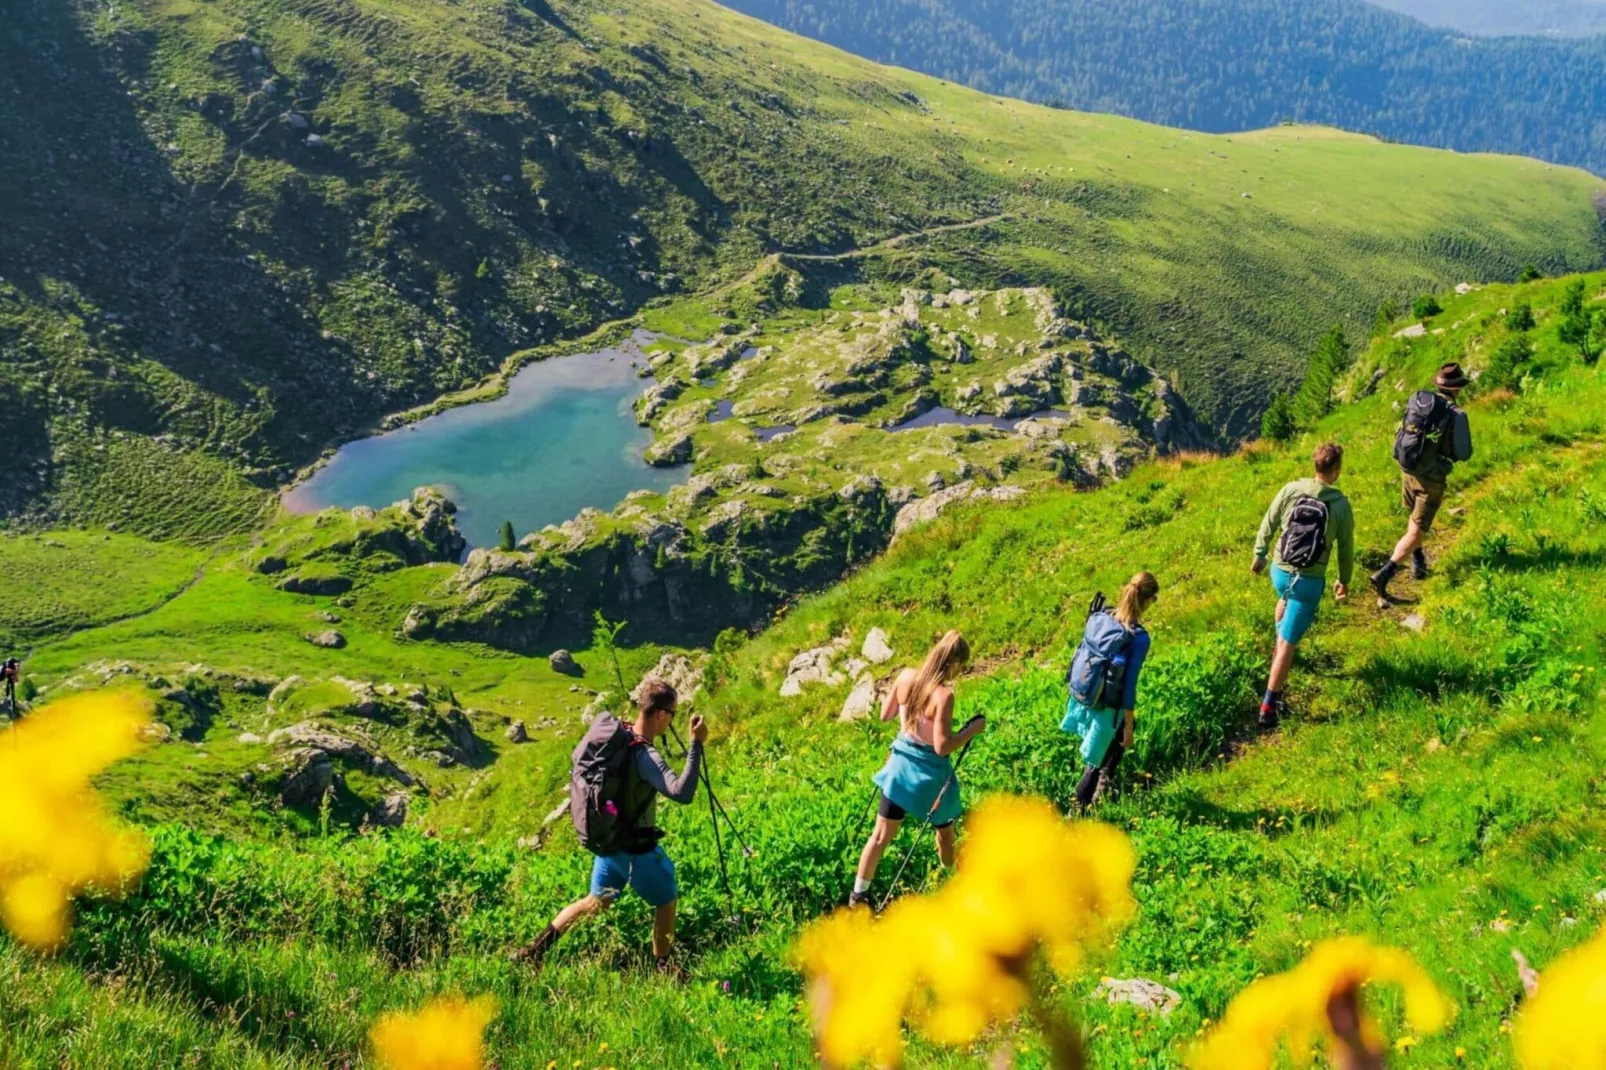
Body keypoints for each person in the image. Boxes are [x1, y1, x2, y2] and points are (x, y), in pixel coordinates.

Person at [516, 679, 705, 974]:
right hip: (635, 851)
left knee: (595, 903)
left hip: (609, 843)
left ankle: (535, 951)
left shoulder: (620, 737)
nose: (672, 721)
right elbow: (682, 793)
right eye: (673, 714)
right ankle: (665, 969)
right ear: (661, 715)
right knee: (667, 902)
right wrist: (696, 745)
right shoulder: (646, 755)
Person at [849, 630, 983, 909]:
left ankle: (858, 896)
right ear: (954, 663)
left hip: (898, 771)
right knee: (945, 834)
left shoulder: (905, 677)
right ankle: (950, 879)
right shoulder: (944, 695)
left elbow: (885, 715)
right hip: (930, 778)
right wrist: (970, 731)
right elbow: (942, 747)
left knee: (879, 837)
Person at [1251, 443, 1354, 728]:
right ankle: (1269, 706)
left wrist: (1259, 554)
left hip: (1280, 572)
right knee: (1287, 642)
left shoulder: (1291, 490)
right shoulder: (1341, 505)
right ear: (1336, 470)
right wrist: (1343, 580)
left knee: (1284, 601)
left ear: (1315, 466)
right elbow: (1345, 548)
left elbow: (1269, 521)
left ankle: (1278, 659)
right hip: (1309, 580)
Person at [1371, 362, 1474, 600]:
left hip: (1409, 468)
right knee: (1417, 530)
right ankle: (1386, 572)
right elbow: (1465, 453)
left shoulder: (1420, 402)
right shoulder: (1456, 414)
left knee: (1413, 518)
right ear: (1457, 389)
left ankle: (1418, 563)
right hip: (1432, 477)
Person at [1060, 573, 1159, 811]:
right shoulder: (1139, 637)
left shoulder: (1104, 616)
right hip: (1110, 708)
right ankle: (1079, 809)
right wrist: (1127, 725)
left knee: (1105, 753)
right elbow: (1129, 685)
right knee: (1098, 760)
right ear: (1147, 600)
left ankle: (1100, 794)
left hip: (1088, 697)